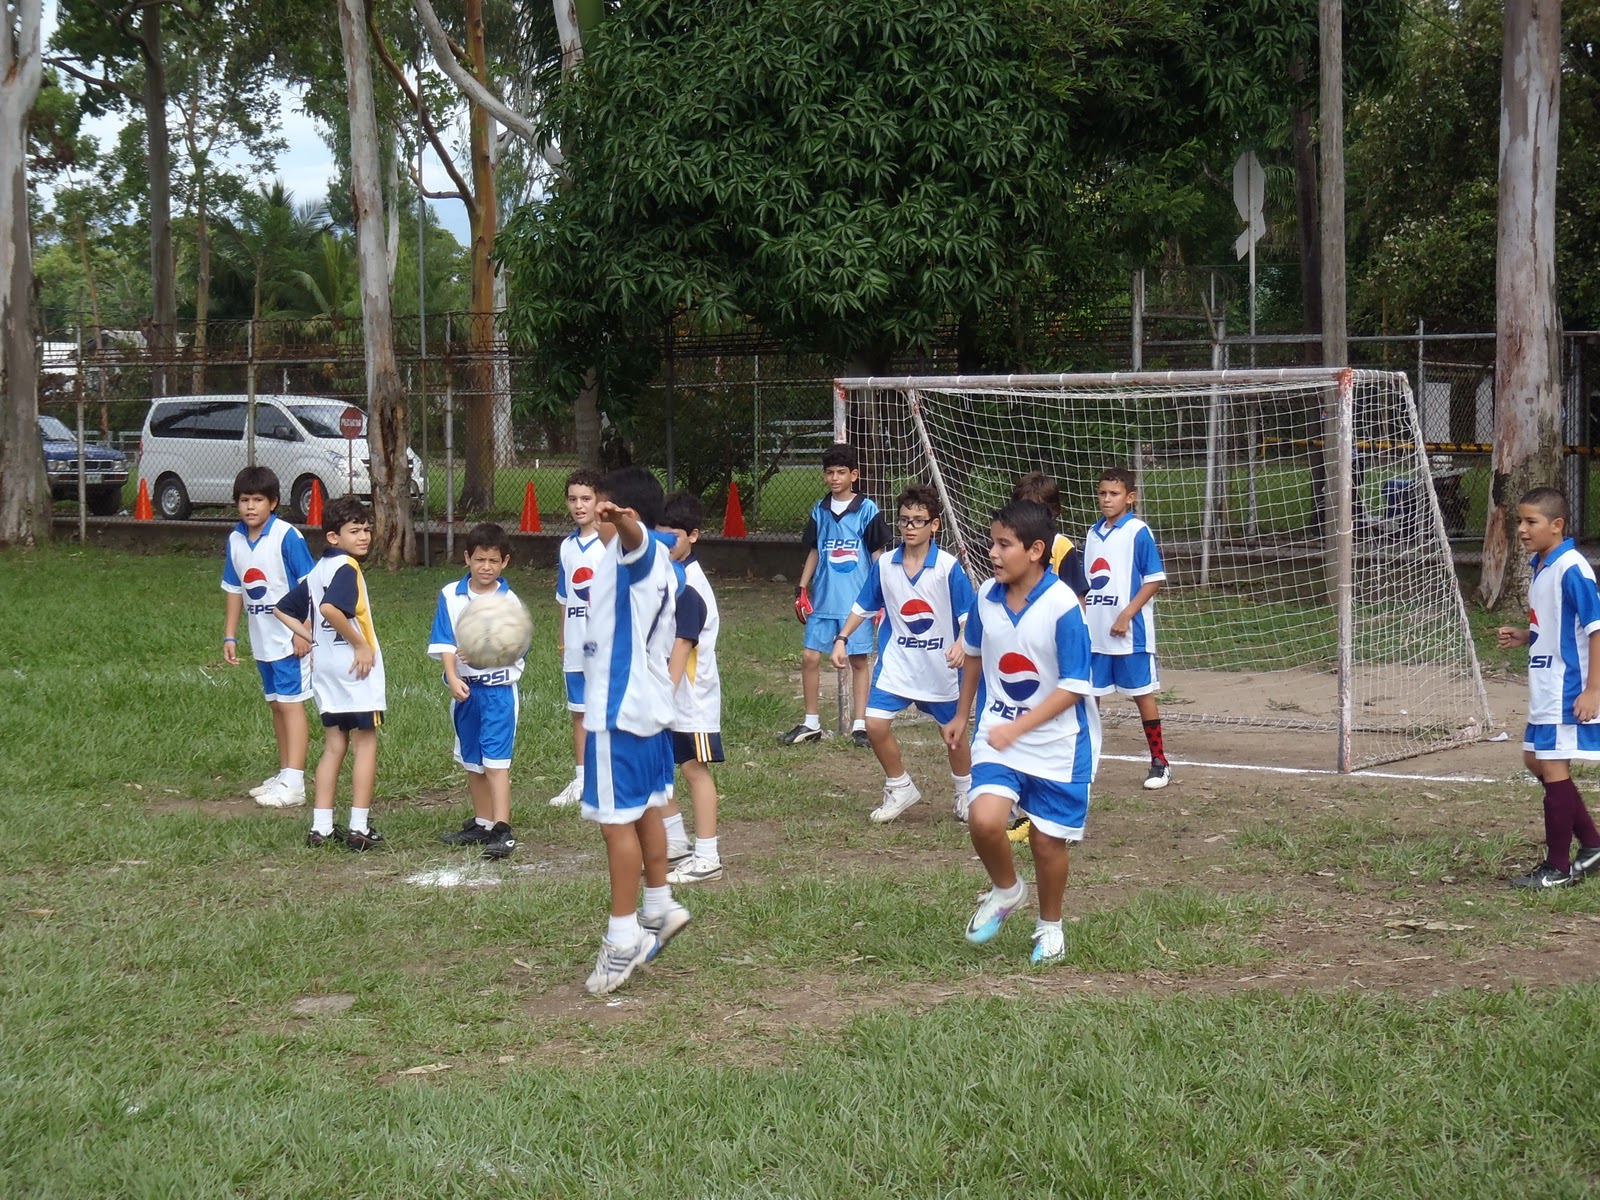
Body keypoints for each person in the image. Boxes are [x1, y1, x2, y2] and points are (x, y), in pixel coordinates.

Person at [941, 499, 1100, 964]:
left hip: (1058, 743)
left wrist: (1020, 728)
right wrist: (962, 714)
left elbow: (1073, 687)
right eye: (992, 542)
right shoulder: (986, 597)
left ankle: (1051, 928)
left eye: (1003, 544)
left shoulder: (1062, 605)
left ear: (1034, 551)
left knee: (1046, 842)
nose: (992, 552)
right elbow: (973, 655)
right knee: (984, 820)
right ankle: (1007, 889)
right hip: (998, 733)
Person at [578, 466, 693, 994]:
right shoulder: (657, 557)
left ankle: (623, 938)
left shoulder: (637, 552)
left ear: (624, 512)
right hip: (648, 707)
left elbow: (639, 540)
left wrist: (623, 521)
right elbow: (658, 542)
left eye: (600, 506)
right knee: (646, 808)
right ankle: (659, 905)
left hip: (619, 711)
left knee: (614, 823)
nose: (592, 514)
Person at [830, 484, 975, 823]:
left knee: (952, 735)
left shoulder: (948, 567)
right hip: (898, 663)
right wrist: (842, 638)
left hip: (940, 668)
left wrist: (961, 643)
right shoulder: (885, 566)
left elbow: (969, 617)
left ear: (934, 525)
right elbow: (864, 605)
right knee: (874, 724)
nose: (910, 527)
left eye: (918, 520)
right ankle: (899, 786)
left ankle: (965, 792)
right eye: (904, 520)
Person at [1496, 487, 1600, 889]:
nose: (1522, 529)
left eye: (1531, 522)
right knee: (1535, 760)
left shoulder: (1572, 568)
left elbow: (1595, 629)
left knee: (1553, 765)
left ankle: (1557, 869)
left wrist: (1593, 691)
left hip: (1566, 687)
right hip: (1545, 681)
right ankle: (1593, 844)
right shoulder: (1543, 564)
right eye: (1519, 521)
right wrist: (1526, 636)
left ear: (1557, 525)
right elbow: (1559, 624)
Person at [273, 497, 387, 851]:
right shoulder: (347, 567)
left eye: (366, 529)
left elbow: (282, 609)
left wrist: (311, 638)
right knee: (365, 743)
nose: (363, 537)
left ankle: (320, 828)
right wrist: (360, 644)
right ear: (334, 536)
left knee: (335, 745)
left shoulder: (318, 569)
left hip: (325, 668)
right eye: (354, 531)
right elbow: (330, 609)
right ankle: (359, 827)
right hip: (355, 668)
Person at [220, 466, 316, 809]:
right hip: (262, 640)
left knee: (291, 705)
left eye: (258, 500)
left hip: (289, 640)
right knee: (276, 704)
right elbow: (235, 589)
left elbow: (310, 585)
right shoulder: (235, 540)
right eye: (245, 500)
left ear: (273, 503)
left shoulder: (287, 536)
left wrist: (304, 630)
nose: (250, 506)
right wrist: (230, 636)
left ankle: (296, 783)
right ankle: (284, 773)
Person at [783, 443, 891, 747]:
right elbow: (815, 550)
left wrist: (882, 595)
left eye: (841, 472)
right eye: (829, 472)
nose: (834, 477)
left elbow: (878, 556)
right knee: (809, 656)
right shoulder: (820, 510)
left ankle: (860, 725)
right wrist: (801, 587)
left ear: (853, 475)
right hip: (824, 600)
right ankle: (811, 722)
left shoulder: (867, 510)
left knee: (858, 660)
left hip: (856, 603)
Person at [429, 523, 524, 861]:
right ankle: (482, 823)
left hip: (498, 692)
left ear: (505, 562)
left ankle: (502, 829)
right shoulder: (450, 595)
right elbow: (444, 641)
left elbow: (516, 647)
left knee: (495, 762)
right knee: (473, 761)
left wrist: (485, 653)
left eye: (494, 561)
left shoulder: (509, 602)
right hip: (467, 692)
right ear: (467, 558)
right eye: (480, 559)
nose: (486, 567)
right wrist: (452, 677)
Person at [1084, 467, 1171, 790]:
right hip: (1096, 634)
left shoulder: (1138, 531)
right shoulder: (1092, 534)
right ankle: (1085, 765)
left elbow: (1154, 579)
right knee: (1089, 697)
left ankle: (1160, 762)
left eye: (1114, 494)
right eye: (1102, 493)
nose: (1107, 499)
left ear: (1130, 497)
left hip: (1130, 634)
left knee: (1141, 694)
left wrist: (1126, 615)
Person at [655, 491, 726, 883]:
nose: (666, 544)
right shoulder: (669, 576)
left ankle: (707, 857)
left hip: (691, 699)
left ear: (694, 536)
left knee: (694, 769)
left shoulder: (691, 587)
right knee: (660, 765)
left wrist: (661, 694)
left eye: (674, 537)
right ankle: (675, 842)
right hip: (669, 695)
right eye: (660, 536)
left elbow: (683, 646)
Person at [550, 469, 606, 807]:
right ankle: (583, 778)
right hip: (576, 645)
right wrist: (563, 641)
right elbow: (564, 598)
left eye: (586, 498)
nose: (579, 505)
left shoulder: (611, 543)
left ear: (599, 500)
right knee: (579, 712)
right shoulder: (567, 546)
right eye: (573, 499)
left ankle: (610, 775)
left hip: (606, 645)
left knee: (608, 710)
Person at [1011, 472, 1090, 598]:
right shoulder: (1010, 543)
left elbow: (1078, 597)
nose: (1029, 516)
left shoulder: (1061, 546)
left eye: (1035, 511)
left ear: (1053, 511)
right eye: (1024, 510)